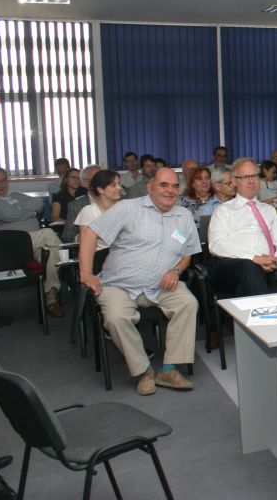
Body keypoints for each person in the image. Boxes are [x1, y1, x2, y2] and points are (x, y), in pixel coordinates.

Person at [78, 167, 200, 395]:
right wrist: (85, 272)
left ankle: (169, 369)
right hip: (119, 284)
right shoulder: (127, 208)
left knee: (188, 303)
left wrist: (175, 271)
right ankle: (144, 371)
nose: (170, 191)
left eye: (175, 186)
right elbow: (90, 233)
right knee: (116, 317)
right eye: (164, 185)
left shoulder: (183, 216)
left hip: (162, 285)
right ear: (150, 187)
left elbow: (187, 255)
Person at [208, 158, 277, 297]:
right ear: (234, 181)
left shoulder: (269, 210)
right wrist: (253, 258)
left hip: (264, 269)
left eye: (255, 176)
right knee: (249, 266)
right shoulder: (223, 210)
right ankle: (265, 308)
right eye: (246, 177)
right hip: (229, 267)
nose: (251, 181)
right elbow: (216, 245)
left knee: (247, 283)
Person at [0, 166, 64, 317]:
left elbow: (39, 204)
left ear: (7, 180)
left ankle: (51, 295)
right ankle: (51, 294)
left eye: (2, 180)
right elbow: (6, 214)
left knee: (50, 251)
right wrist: (30, 213)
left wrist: (18, 211)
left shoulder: (16, 195)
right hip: (8, 247)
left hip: (33, 242)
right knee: (48, 234)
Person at [74, 169, 122, 250]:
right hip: (102, 255)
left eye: (119, 184)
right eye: (113, 185)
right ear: (100, 189)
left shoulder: (125, 207)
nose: (119, 188)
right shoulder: (88, 211)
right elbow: (86, 245)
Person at [62, 164, 102, 242]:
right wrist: (81, 237)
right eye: (97, 179)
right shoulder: (76, 205)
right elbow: (67, 234)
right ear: (85, 183)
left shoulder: (117, 201)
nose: (103, 182)